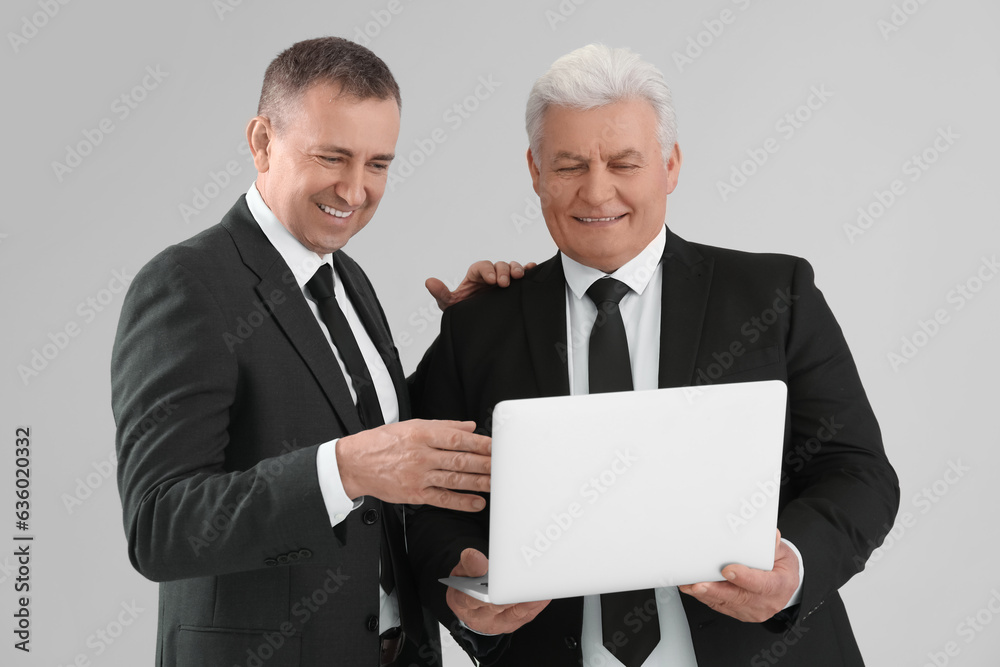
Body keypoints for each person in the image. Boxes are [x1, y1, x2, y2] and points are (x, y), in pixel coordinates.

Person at [406, 44, 899, 666]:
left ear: (670, 165)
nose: (596, 190)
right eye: (568, 166)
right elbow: (429, 502)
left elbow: (857, 471)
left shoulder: (776, 295)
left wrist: (791, 569)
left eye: (624, 162)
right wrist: (459, 577)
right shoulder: (478, 323)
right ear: (534, 171)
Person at [111, 36, 526, 667]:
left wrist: (467, 334)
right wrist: (343, 470)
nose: (356, 190)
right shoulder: (187, 284)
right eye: (333, 157)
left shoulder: (347, 278)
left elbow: (372, 432)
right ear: (262, 142)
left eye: (379, 164)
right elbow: (161, 526)